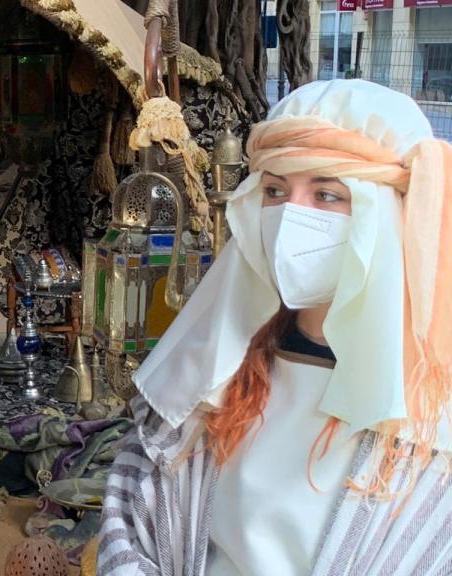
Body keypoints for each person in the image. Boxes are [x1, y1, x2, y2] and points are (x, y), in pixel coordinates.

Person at [98, 79, 452, 575]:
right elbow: (128, 525)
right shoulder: (212, 375)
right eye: (275, 191)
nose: (290, 216)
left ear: (386, 215)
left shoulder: (431, 409)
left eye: (327, 194)